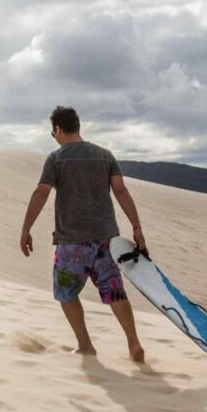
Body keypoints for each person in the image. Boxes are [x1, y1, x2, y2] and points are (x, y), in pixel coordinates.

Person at [19, 106, 146, 361]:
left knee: (66, 292)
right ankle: (133, 343)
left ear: (58, 129)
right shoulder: (105, 155)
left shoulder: (56, 158)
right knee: (114, 291)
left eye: (52, 132)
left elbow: (41, 192)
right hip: (106, 240)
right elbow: (121, 191)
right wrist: (137, 228)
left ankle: (85, 344)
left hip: (71, 242)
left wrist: (26, 229)